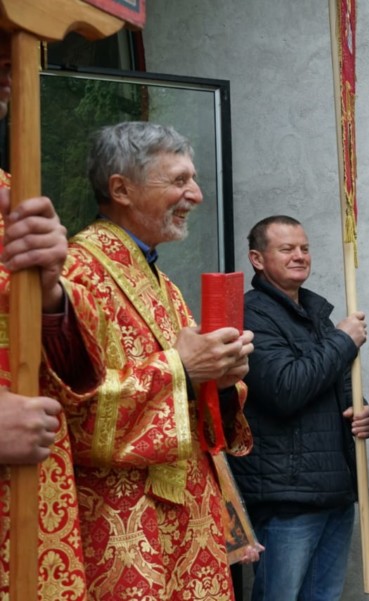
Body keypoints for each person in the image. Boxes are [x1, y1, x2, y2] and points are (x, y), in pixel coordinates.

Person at [61, 121, 256, 600]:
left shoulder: (162, 283)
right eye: (179, 180)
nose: (196, 195)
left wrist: (221, 381)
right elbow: (74, 412)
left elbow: (196, 400)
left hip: (188, 516)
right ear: (121, 189)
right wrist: (182, 370)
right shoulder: (74, 274)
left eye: (194, 180)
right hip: (122, 520)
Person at [0, 28, 106, 600]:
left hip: (34, 509)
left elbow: (76, 376)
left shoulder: (15, 195)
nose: (8, 69)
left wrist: (49, 294)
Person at [229, 215, 369, 601]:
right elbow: (284, 388)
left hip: (336, 489)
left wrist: (360, 410)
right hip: (286, 497)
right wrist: (343, 341)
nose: (300, 256)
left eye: (305, 248)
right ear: (257, 259)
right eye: (287, 249)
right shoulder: (249, 315)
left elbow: (336, 382)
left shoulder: (316, 314)